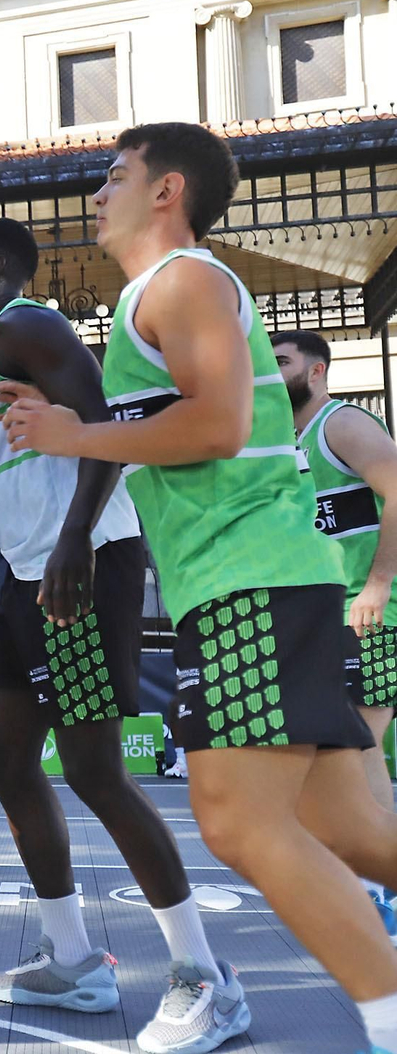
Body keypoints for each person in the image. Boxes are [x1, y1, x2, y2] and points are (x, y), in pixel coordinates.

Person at [0, 121, 397, 1054]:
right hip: (262, 581)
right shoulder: (163, 294)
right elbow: (184, 418)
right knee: (352, 834)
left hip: (248, 580)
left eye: (114, 176)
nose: (97, 194)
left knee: (235, 820)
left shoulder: (182, 280)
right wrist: (62, 419)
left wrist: (77, 438)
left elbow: (216, 424)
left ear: (167, 189)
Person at [0, 215, 243, 1051]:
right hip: (23, 572)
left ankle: (203, 976)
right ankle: (70, 958)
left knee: (94, 771)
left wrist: (76, 536)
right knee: (4, 756)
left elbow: (103, 417)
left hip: (76, 567)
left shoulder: (25, 324)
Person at [275, 328, 397, 938]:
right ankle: (372, 884)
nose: (271, 373)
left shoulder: (340, 425)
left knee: (357, 748)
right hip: (325, 619)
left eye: (282, 362)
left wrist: (377, 583)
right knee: (335, 757)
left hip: (371, 611)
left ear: (318, 370)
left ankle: (383, 893)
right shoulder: (285, 443)